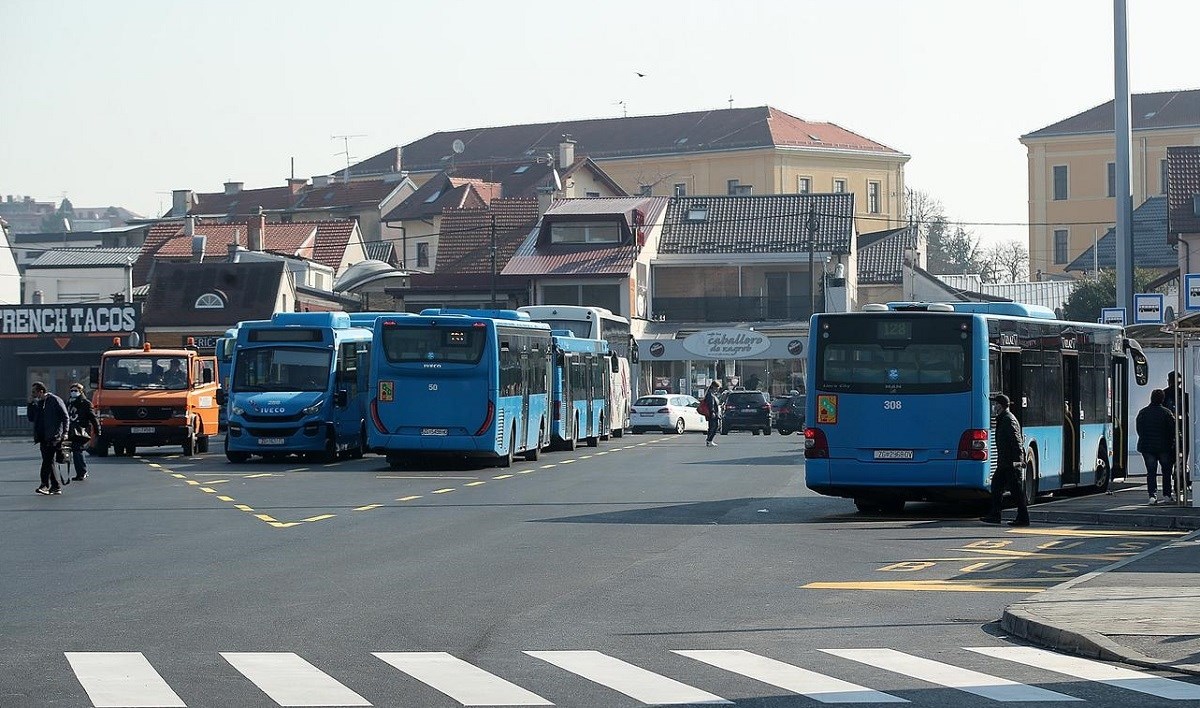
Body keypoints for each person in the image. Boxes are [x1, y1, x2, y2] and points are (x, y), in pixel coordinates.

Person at [981, 394, 1030, 526]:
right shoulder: (1003, 419)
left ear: (1000, 406)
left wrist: (1018, 462)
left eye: (996, 404)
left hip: (1011, 463)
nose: (994, 406)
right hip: (1004, 462)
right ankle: (995, 515)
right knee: (996, 487)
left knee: (1016, 491)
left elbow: (1017, 442)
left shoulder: (1009, 420)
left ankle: (1023, 518)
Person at [26, 381, 68, 495]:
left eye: (34, 392)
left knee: (47, 461)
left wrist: (65, 432)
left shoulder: (54, 400)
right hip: (42, 437)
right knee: (50, 462)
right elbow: (31, 418)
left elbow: (65, 416)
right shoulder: (39, 403)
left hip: (54, 436)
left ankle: (44, 485)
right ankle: (56, 486)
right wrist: (30, 404)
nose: (32, 394)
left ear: (41, 391)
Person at [1136, 388, 1176, 504]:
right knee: (1166, 471)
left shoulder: (1143, 412)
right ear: (1162, 399)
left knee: (1151, 472)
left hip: (1147, 447)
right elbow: (1172, 430)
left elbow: (1139, 430)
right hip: (1164, 447)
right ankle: (1167, 495)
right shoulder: (1167, 413)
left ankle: (1152, 496)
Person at [65, 382, 99, 481]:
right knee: (71, 451)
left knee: (77, 450)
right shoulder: (69, 402)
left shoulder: (85, 403)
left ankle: (82, 472)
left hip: (81, 430)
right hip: (70, 429)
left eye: (75, 391)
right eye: (71, 391)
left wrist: (97, 430)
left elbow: (93, 418)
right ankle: (81, 471)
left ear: (81, 391)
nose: (73, 392)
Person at [703, 381, 723, 447]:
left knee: (713, 427)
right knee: (714, 427)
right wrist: (713, 412)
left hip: (714, 413)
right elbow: (711, 404)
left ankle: (709, 440)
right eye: (717, 387)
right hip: (712, 413)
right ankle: (709, 440)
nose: (718, 389)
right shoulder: (710, 394)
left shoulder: (712, 394)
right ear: (714, 387)